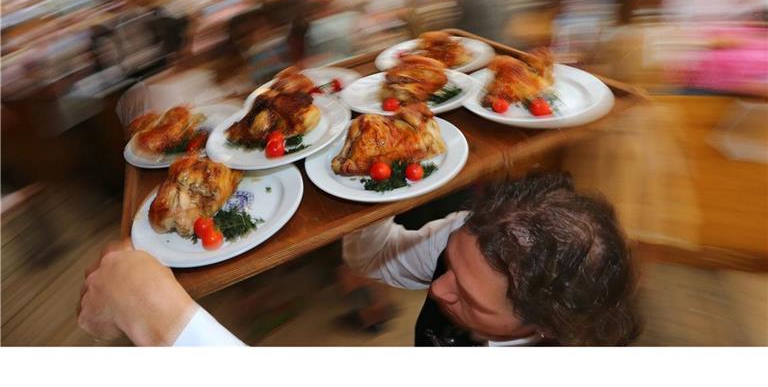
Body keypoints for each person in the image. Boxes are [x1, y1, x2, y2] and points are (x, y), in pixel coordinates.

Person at [77, 172, 641, 346]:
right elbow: (376, 260)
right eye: (451, 266)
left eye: (467, 299)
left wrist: (161, 318)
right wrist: (368, 192)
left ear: (544, 329)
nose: (441, 291)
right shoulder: (475, 240)